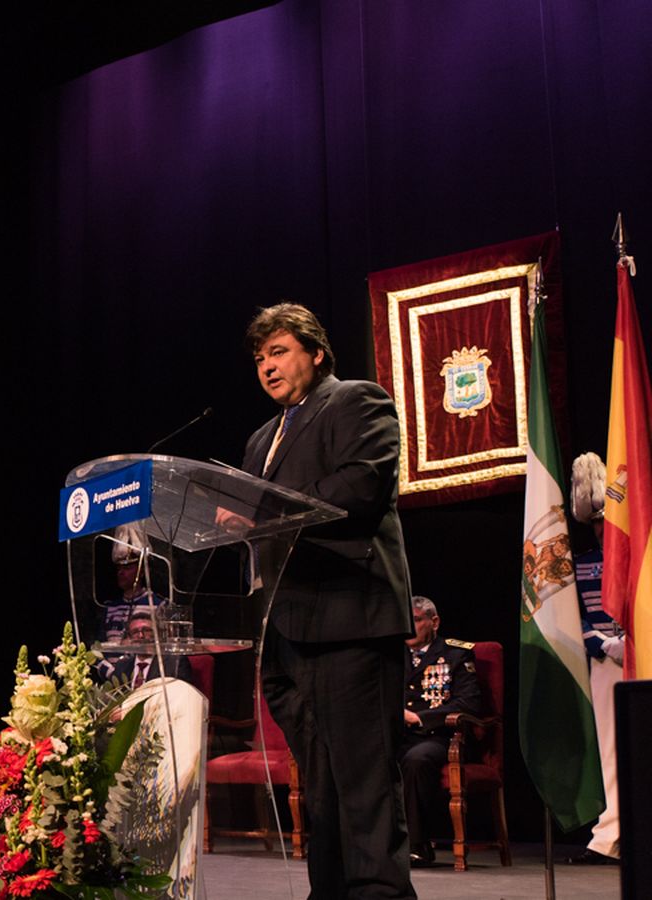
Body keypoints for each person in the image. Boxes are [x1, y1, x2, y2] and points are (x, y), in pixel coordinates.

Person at [230, 303, 415, 897]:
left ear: (315, 353)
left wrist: (264, 514)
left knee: (364, 786)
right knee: (322, 787)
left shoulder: (356, 400)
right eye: (259, 358)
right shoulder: (261, 438)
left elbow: (362, 485)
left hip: (348, 621)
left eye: (279, 351)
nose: (267, 366)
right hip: (285, 633)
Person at [568, 451, 623, 865]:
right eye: (599, 524)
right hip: (605, 662)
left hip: (642, 654)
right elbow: (576, 619)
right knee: (609, 747)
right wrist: (604, 645)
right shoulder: (582, 564)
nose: (605, 531)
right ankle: (610, 833)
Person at [399, 596, 481, 867]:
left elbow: (469, 703)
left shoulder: (456, 653)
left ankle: (418, 846)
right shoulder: (391, 655)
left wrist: (420, 718)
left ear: (434, 622)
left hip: (439, 737)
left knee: (417, 760)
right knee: (367, 755)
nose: (410, 627)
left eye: (417, 620)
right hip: (399, 735)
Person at [101, 610, 197, 688]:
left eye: (146, 630)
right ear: (129, 638)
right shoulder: (122, 666)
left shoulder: (175, 663)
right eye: (135, 632)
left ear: (158, 634)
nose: (141, 636)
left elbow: (182, 698)